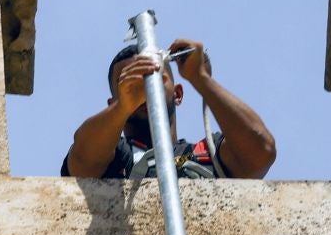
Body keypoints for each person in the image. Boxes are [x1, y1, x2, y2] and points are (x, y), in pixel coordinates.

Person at [62, 37, 276, 180]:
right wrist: (123, 108)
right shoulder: (112, 153)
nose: (147, 89)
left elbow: (260, 151)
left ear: (178, 94)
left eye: (156, 78)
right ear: (112, 103)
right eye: (131, 81)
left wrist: (201, 80)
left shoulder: (208, 153)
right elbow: (83, 161)